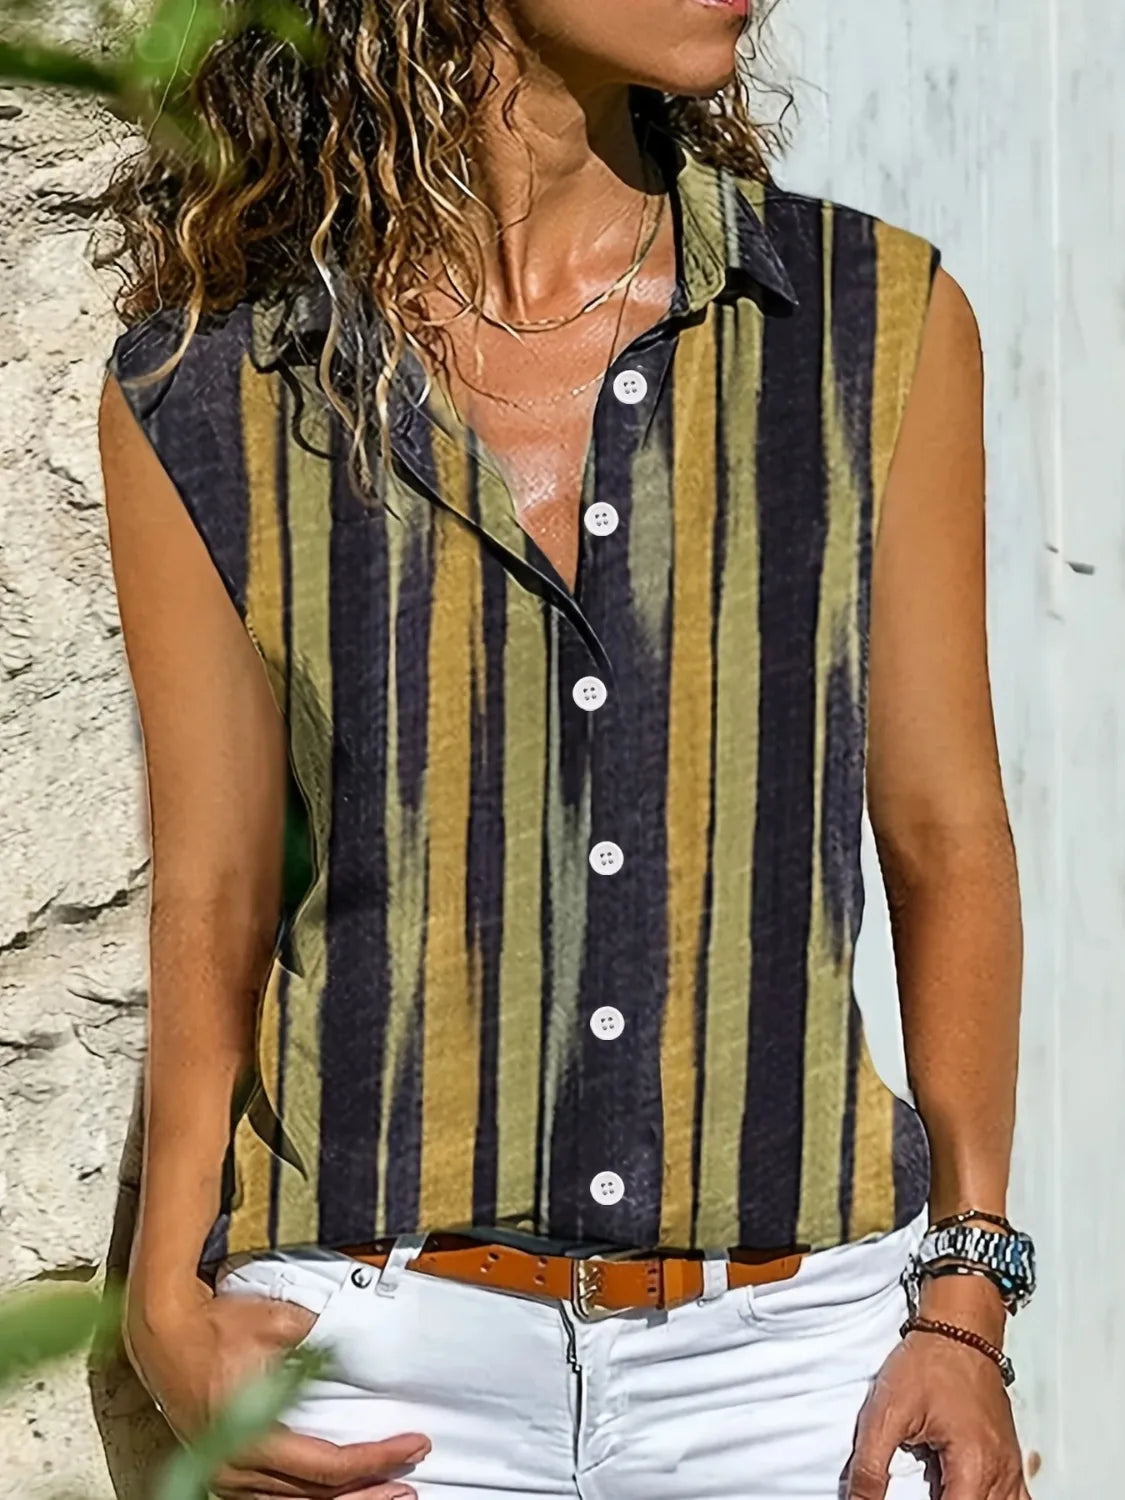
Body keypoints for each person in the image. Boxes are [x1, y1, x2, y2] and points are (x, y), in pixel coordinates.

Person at [94, 1, 1034, 1497]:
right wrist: (161, 1302)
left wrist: (967, 1303)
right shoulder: (213, 387)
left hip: (798, 1379)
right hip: (375, 1366)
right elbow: (215, 884)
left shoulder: (870, 322)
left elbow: (947, 835)